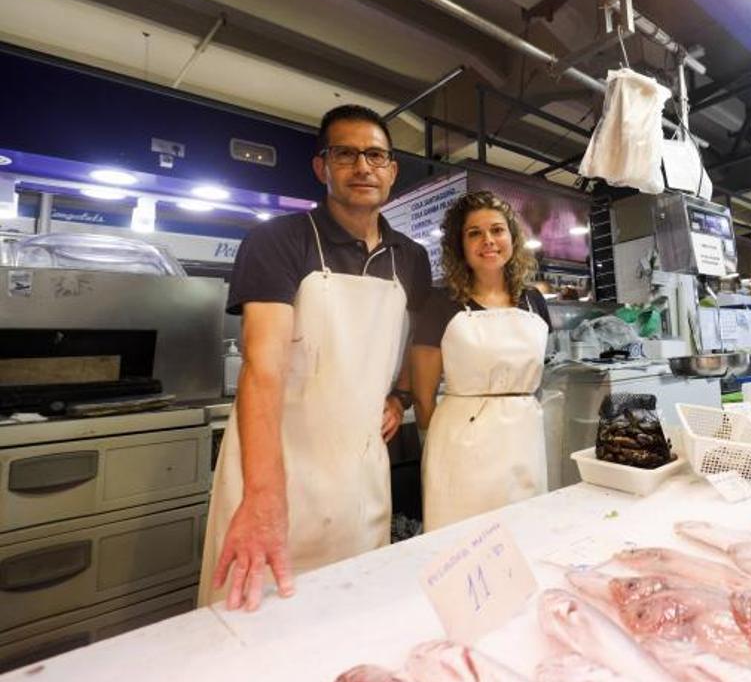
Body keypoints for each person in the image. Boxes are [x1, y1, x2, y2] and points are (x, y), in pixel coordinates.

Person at [199, 105, 432, 610]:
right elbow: (262, 367)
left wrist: (401, 396)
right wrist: (262, 497)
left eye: (375, 155)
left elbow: (413, 346)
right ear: (322, 167)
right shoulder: (277, 240)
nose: (362, 166)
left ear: (392, 170)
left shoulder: (411, 258)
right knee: (257, 620)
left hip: (360, 470)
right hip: (278, 463)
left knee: (350, 613)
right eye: (345, 153)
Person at [411, 191, 551, 530]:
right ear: (460, 245)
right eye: (474, 233)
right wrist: (442, 443)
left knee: (525, 533)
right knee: (463, 542)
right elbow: (422, 393)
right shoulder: (440, 302)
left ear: (512, 238)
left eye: (497, 230)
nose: (488, 240)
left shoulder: (533, 300)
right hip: (462, 445)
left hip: (524, 439)